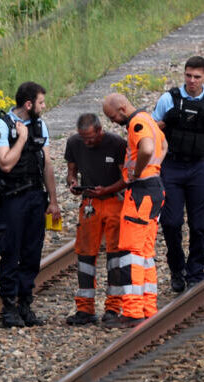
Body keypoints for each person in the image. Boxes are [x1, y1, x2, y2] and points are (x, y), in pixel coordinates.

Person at [0, 81, 61, 327]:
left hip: (35, 196)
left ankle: (25, 303)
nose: (44, 106)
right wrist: (21, 139)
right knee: (11, 252)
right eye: (41, 102)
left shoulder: (40, 125)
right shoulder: (2, 126)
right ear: (28, 104)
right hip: (12, 198)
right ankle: (9, 307)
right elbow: (5, 163)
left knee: (32, 253)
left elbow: (47, 164)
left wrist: (53, 200)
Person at [102, 93, 167, 327]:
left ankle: (131, 311)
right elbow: (163, 145)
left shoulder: (137, 123)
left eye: (112, 117)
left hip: (141, 191)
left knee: (131, 253)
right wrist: (153, 169)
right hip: (155, 188)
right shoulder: (149, 119)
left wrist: (138, 172)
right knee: (146, 253)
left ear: (121, 108)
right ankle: (148, 307)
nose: (112, 122)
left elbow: (148, 148)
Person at [64, 113, 127, 325]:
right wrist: (72, 182)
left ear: (100, 130)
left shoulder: (117, 144)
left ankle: (113, 308)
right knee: (84, 255)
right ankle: (85, 309)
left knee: (115, 255)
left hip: (113, 201)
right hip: (89, 202)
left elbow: (126, 178)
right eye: (84, 138)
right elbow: (71, 171)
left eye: (90, 137)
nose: (87, 142)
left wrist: (107, 189)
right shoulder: (74, 143)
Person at [152, 55, 204, 292]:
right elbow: (150, 131)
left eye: (197, 77)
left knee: (199, 224)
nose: (191, 81)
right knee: (171, 223)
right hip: (172, 166)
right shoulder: (168, 99)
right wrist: (166, 123)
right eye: (188, 76)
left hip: (199, 166)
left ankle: (196, 270)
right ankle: (177, 268)